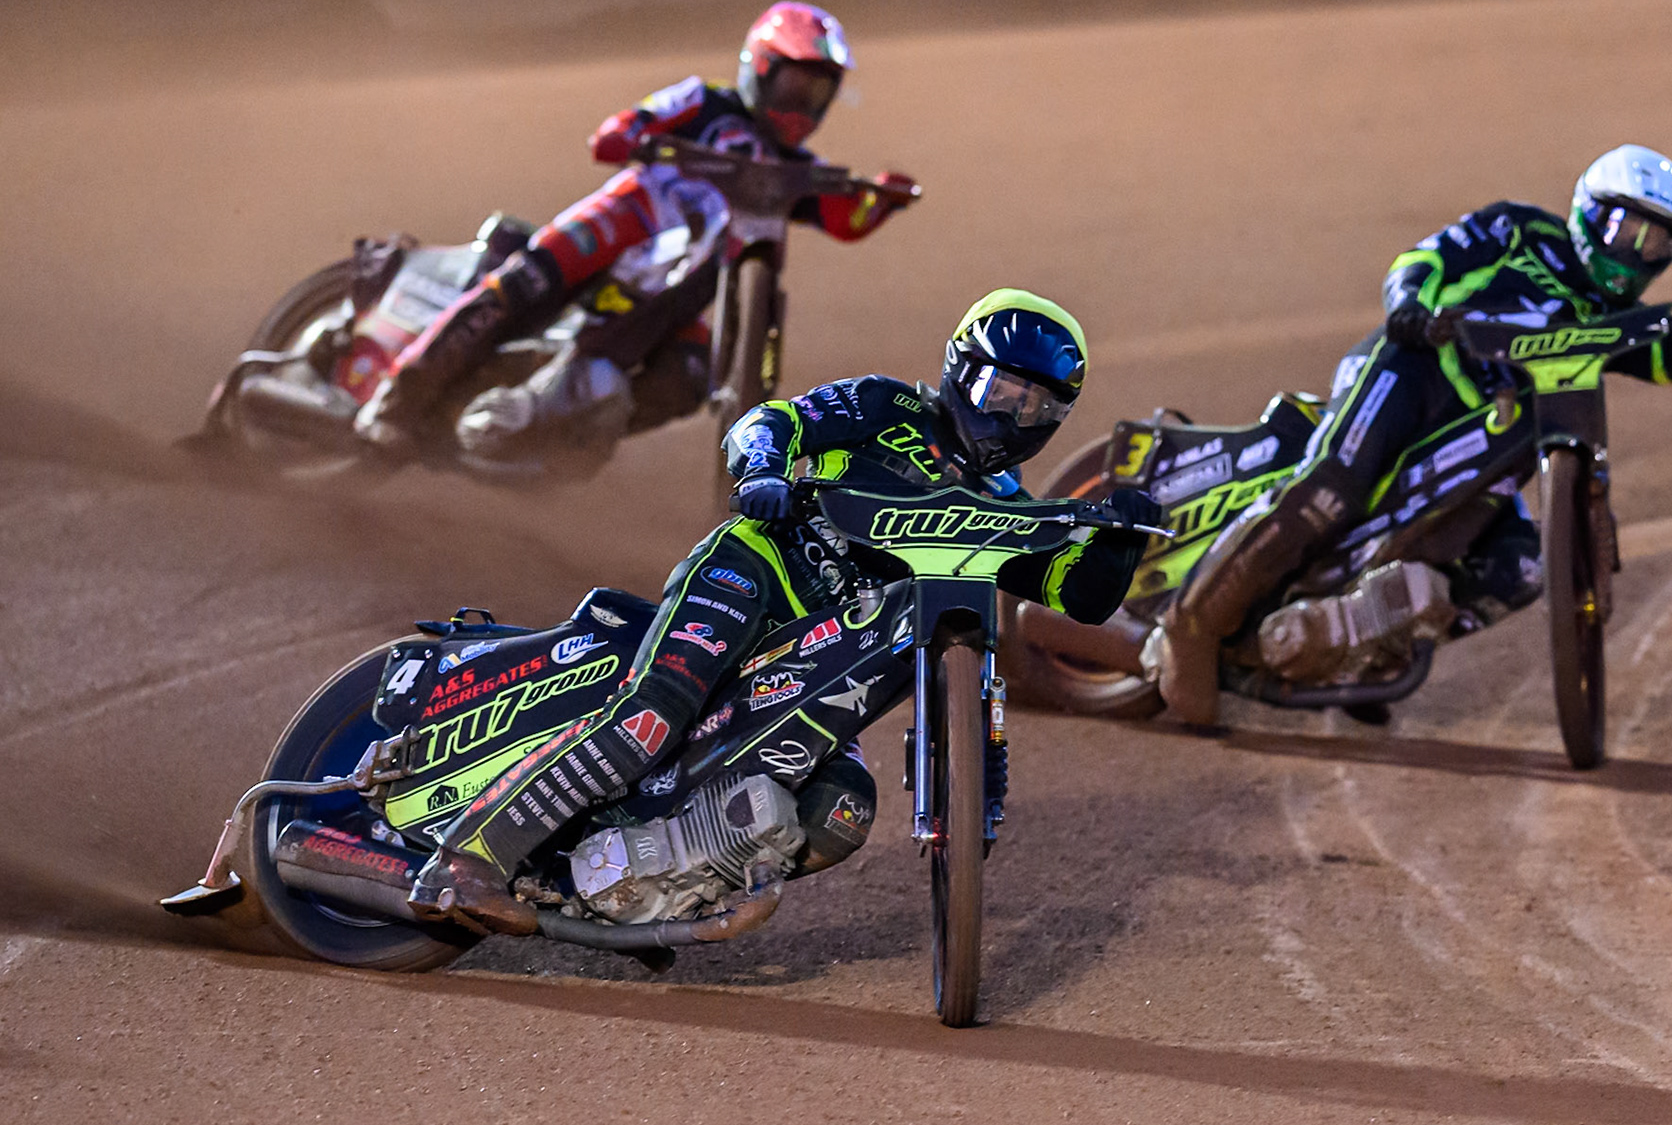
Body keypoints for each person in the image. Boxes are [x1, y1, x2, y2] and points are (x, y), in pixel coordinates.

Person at [407, 289, 1162, 933]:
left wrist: (1118, 538)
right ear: (963, 371)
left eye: (1038, 405)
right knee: (653, 716)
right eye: (1005, 391)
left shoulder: (1002, 505)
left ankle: (636, 888)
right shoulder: (885, 406)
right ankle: (466, 860)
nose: (1017, 413)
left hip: (816, 659)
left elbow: (1076, 597)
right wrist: (763, 466)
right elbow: (769, 421)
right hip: (755, 574)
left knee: (843, 811)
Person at [1151, 144, 1672, 724]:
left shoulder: (1605, 318)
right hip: (1412, 371)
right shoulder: (1517, 231)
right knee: (1333, 487)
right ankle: (1193, 625)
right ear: (1589, 213)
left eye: (1659, 243)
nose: (1638, 254)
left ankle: (1354, 647)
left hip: (1491, 444)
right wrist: (1409, 302)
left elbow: (1661, 362)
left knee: (1521, 569)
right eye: (1628, 230)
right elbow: (1426, 259)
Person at [354, 0, 917, 454]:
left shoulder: (793, 172)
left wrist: (883, 196)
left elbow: (847, 221)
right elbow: (618, 130)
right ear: (760, 69)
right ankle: (395, 398)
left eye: (817, 94)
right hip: (618, 225)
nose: (804, 107)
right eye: (796, 88)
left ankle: (561, 439)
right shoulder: (703, 102)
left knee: (689, 376)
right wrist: (635, 137)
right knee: (521, 286)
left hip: (664, 294)